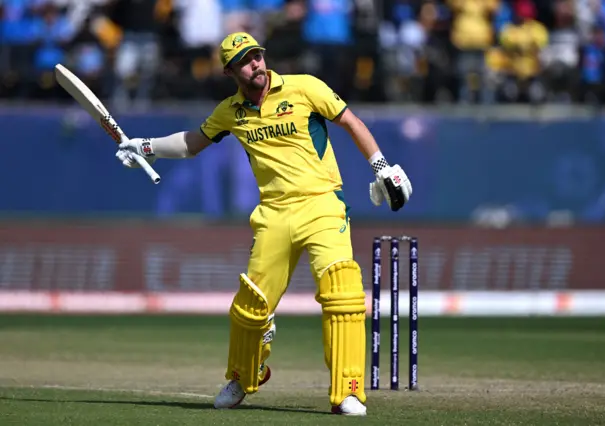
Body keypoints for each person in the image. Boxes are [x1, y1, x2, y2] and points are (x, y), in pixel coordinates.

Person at [115, 32, 413, 416]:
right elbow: (192, 143)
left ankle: (347, 391)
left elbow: (351, 122)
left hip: (322, 205)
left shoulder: (304, 87)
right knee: (251, 306)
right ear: (230, 71)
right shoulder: (230, 111)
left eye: (256, 56)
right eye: (244, 60)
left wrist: (380, 167)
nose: (254, 64)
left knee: (342, 294)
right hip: (273, 214)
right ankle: (243, 376)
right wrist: (147, 147)